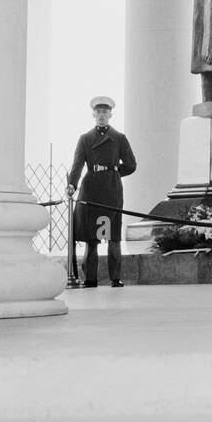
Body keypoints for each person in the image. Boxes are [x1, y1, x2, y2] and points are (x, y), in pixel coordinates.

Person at [66, 97, 137, 288]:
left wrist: (113, 173)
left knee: (113, 236)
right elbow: (77, 165)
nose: (101, 116)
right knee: (92, 238)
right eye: (98, 112)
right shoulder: (85, 139)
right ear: (93, 115)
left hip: (112, 191)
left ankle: (115, 278)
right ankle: (90, 278)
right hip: (91, 191)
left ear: (110, 115)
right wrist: (72, 184)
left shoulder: (119, 138)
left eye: (105, 112)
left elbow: (131, 165)